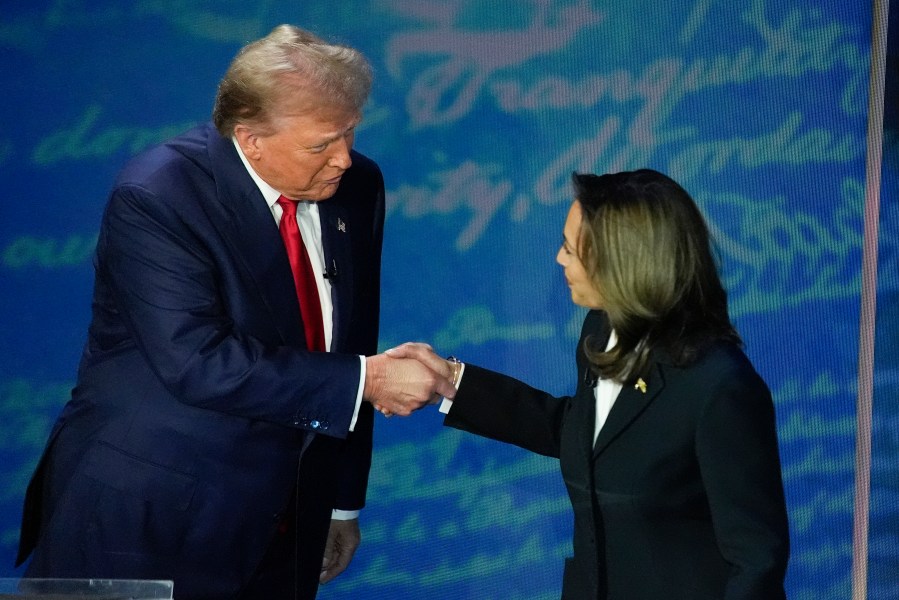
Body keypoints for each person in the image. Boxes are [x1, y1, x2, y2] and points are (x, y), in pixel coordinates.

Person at [16, 24, 454, 600]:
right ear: (249, 139)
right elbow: (198, 360)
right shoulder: (159, 194)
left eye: (349, 132)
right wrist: (370, 380)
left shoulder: (357, 184)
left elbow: (351, 336)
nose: (344, 158)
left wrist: (341, 500)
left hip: (290, 515)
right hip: (153, 512)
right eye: (321, 144)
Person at [391, 169, 790, 599]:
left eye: (570, 248)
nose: (560, 259)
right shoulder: (600, 330)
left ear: (623, 264)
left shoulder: (719, 387)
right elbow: (587, 434)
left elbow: (756, 560)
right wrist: (452, 382)